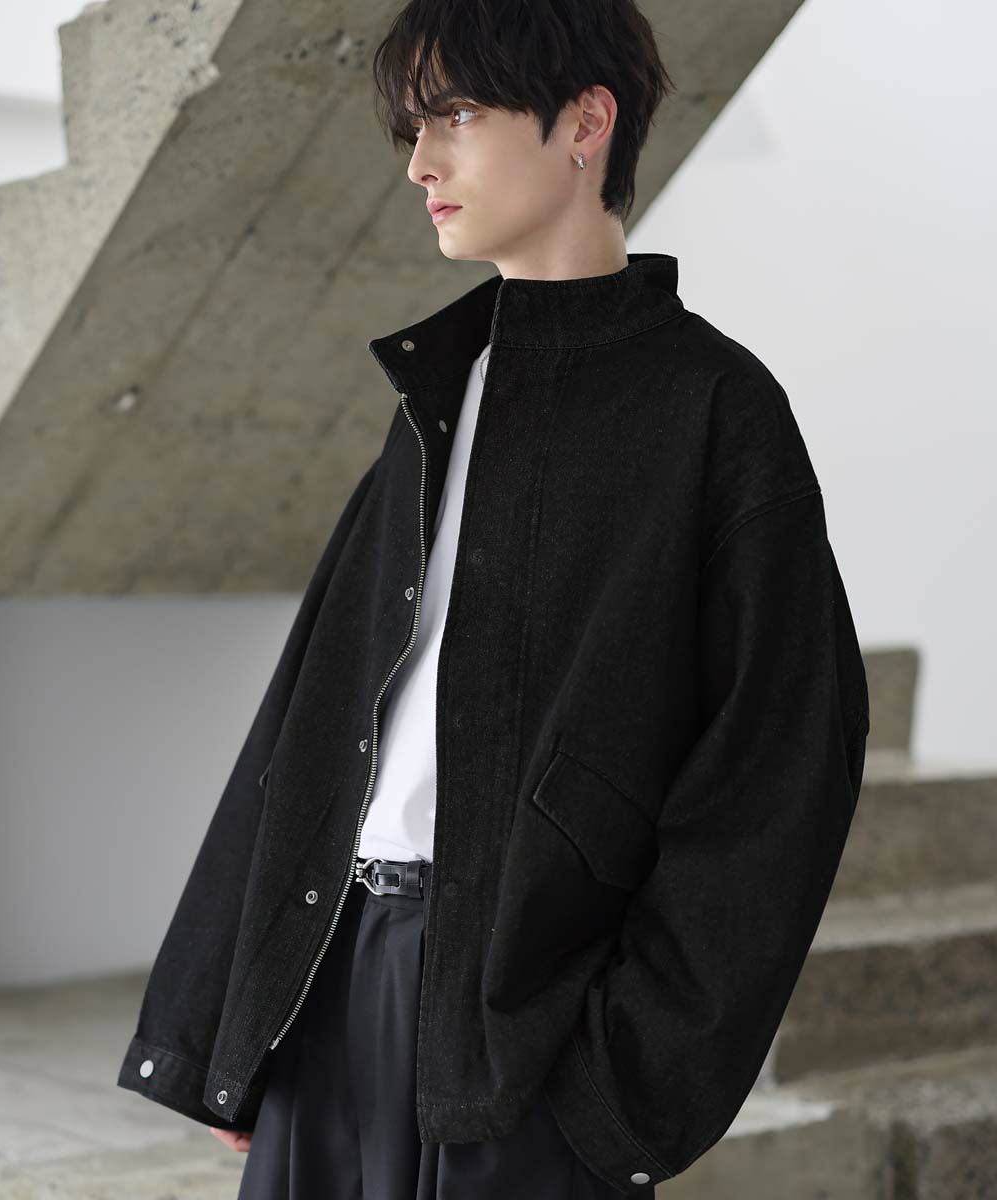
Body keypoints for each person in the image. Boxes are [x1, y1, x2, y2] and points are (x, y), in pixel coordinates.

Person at [117, 2, 870, 1196]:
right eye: (412, 128)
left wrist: (625, 1085)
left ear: (585, 122)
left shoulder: (714, 413)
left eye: (457, 116)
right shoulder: (436, 394)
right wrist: (224, 1019)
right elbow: (312, 716)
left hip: (523, 1030)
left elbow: (779, 772)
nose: (420, 164)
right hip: (331, 979)